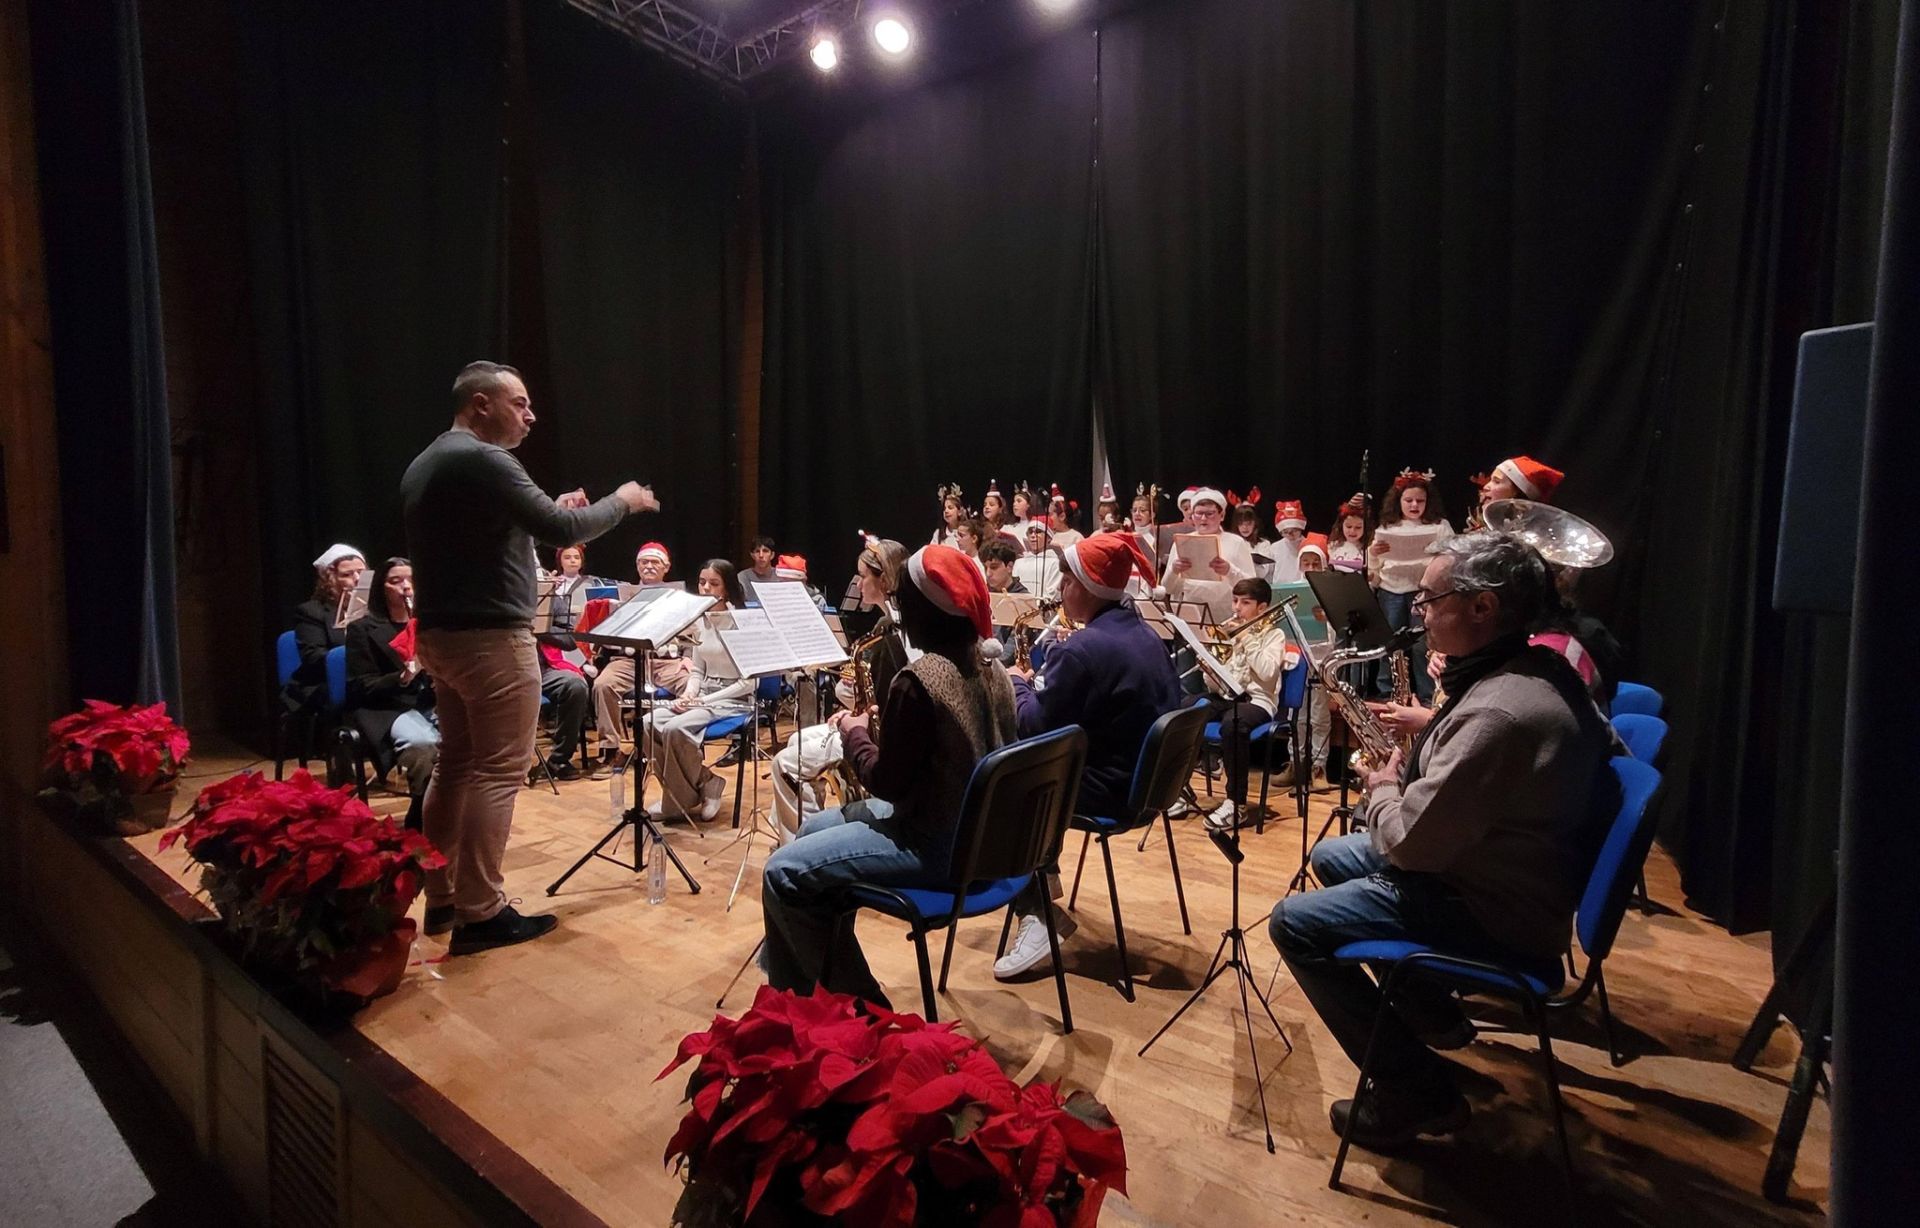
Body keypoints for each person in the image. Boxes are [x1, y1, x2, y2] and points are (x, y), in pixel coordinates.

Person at [1268, 533, 1619, 1152]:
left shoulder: (1500, 713)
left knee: (1294, 923)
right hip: (1507, 870)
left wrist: (1380, 786)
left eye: (1431, 599)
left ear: (1482, 607)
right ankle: (1434, 1014)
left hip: (1493, 909)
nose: (1420, 611)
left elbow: (1406, 844)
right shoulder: (1542, 668)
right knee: (1331, 855)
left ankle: (1415, 1093)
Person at [401, 360, 652, 954]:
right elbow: (566, 530)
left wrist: (550, 512)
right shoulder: (484, 458)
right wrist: (623, 500)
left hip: (444, 635)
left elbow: (498, 532)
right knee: (498, 771)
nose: (531, 415)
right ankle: (482, 912)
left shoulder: (430, 461)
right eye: (520, 403)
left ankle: (440, 897)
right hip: (489, 638)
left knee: (455, 765)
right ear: (481, 403)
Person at [760, 545, 1016, 1006]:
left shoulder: (918, 681)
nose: (899, 606)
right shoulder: (992, 665)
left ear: (924, 608)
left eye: (906, 598)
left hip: (938, 845)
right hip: (984, 836)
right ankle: (814, 992)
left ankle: (860, 1008)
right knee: (813, 828)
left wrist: (856, 733)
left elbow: (886, 783)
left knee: (781, 871)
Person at [996, 533, 1183, 977]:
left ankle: (1039, 913)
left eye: (1066, 576)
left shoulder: (1085, 648)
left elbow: (1035, 725)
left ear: (1086, 585)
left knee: (1005, 790)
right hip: (1148, 784)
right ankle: (1044, 870)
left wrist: (1017, 682)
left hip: (1111, 792)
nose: (1060, 587)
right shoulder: (1143, 632)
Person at [770, 538, 910, 836]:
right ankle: (801, 831)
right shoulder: (895, 622)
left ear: (884, 579)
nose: (858, 584)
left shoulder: (892, 633)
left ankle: (800, 844)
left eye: (863, 576)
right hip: (873, 726)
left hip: (879, 741)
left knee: (785, 763)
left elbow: (882, 707)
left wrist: (851, 716)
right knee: (796, 742)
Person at [646, 560, 752, 821]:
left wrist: (702, 700)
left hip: (733, 698)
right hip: (704, 695)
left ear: (727, 588)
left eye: (714, 583)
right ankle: (707, 782)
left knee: (674, 728)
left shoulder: (742, 623)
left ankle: (676, 803)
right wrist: (689, 695)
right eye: (702, 582)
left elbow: (749, 683)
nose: (705, 588)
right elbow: (697, 671)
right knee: (648, 722)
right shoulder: (701, 620)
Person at [1194, 578, 1296, 832]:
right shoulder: (1229, 632)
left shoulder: (1275, 635)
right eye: (1235, 600)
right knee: (1187, 709)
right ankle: (1179, 790)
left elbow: (1267, 673)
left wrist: (1248, 638)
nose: (1237, 607)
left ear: (1262, 608)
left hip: (1258, 702)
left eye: (1245, 602)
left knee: (1234, 723)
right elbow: (1215, 688)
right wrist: (1209, 667)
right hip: (1228, 697)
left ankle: (1235, 803)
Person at [344, 558, 438, 826]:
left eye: (410, 580)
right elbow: (360, 685)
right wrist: (402, 677)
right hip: (386, 707)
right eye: (395, 581)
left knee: (467, 737)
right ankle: (419, 811)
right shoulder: (362, 628)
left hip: (428, 700)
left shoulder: (427, 624)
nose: (405, 587)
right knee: (423, 744)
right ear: (380, 588)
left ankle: (443, 811)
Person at [589, 542, 682, 763]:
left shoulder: (678, 596)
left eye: (654, 562)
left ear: (666, 567)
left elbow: (692, 635)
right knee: (603, 685)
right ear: (637, 565)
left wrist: (688, 658)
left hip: (666, 661)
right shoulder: (622, 596)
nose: (649, 566)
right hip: (628, 660)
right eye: (644, 562)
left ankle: (677, 746)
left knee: (691, 685)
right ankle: (611, 749)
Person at [1368, 469, 1453, 701]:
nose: (1414, 505)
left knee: (1423, 645)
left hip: (1423, 591)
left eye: (1420, 500)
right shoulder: (1388, 527)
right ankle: (1388, 692)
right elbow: (1374, 566)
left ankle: (1427, 694)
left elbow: (1452, 556)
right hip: (1391, 590)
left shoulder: (1439, 525)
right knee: (1392, 642)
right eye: (1409, 500)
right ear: (1399, 501)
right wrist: (1373, 553)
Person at [534, 544, 595, 781]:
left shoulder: (552, 599)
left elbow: (571, 640)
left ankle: (559, 759)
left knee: (576, 685)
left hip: (543, 668)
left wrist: (539, 629)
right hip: (510, 668)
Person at [287, 544, 366, 712]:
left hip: (367, 680)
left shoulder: (375, 611)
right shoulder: (311, 612)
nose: (358, 578)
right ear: (331, 580)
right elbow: (313, 658)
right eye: (347, 574)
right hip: (326, 684)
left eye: (362, 572)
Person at [1164, 487, 1256, 623]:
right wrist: (1174, 570)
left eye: (1210, 514)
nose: (1203, 518)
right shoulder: (1182, 541)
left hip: (1225, 619)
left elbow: (1252, 587)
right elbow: (1167, 588)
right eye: (1199, 513)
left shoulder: (1235, 542)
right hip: (1190, 620)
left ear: (1222, 515)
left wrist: (1229, 570)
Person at [1269, 499, 1308, 583]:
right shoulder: (1275, 547)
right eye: (1285, 532)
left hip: (1303, 586)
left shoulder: (1309, 545)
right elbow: (1270, 572)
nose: (1290, 535)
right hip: (1280, 588)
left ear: (1300, 528)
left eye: (1294, 531)